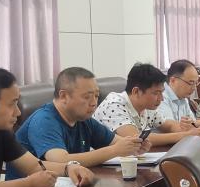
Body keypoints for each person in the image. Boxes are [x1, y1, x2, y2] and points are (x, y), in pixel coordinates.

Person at [12, 67, 145, 178]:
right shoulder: (44, 120)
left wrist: (134, 145)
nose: (94, 103)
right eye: (87, 97)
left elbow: (118, 142)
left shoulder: (84, 119)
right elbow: (60, 160)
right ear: (64, 96)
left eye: (96, 96)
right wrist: (115, 150)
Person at [94, 63, 200, 145]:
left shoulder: (147, 107)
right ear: (136, 91)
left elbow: (168, 125)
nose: (161, 98)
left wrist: (187, 129)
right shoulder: (114, 104)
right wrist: (185, 135)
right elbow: (136, 138)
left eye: (162, 92)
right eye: (156, 93)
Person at [159, 60, 200, 128]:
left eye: (196, 83)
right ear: (173, 80)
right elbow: (169, 128)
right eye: (191, 83)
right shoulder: (160, 97)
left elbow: (191, 123)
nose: (194, 88)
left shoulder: (183, 97)